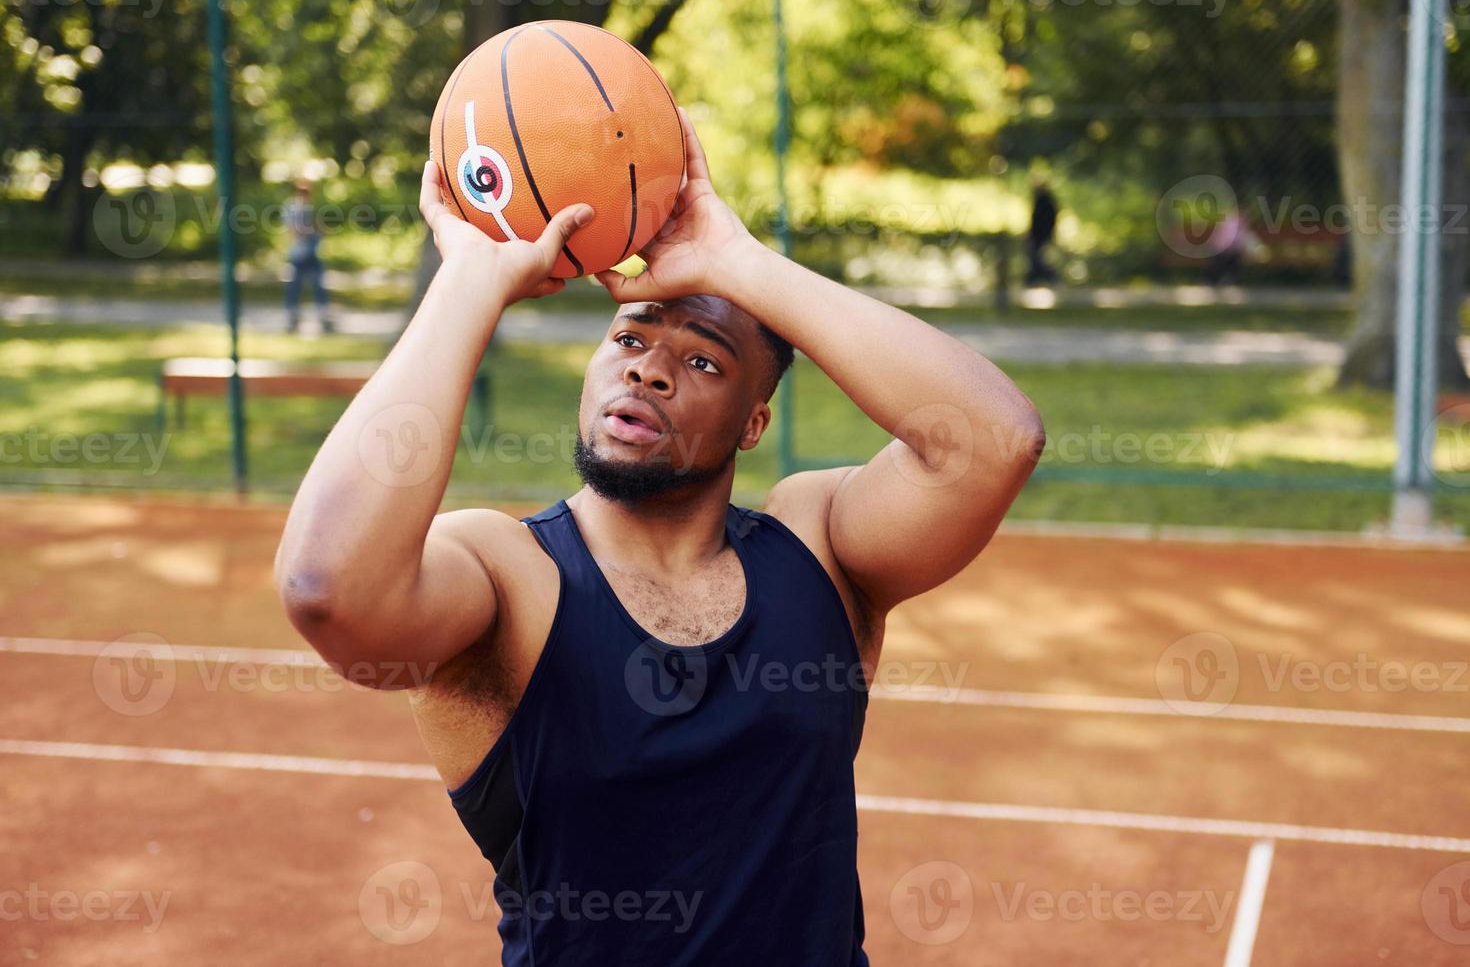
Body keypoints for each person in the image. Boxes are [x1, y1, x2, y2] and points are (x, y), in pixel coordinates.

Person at [275, 109, 1044, 965]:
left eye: (704, 359)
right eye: (629, 336)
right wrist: (470, 283)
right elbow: (327, 590)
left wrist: (739, 262)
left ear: (754, 422)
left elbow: (994, 439)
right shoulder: (509, 577)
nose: (648, 367)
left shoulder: (821, 547)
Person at [283, 179, 333, 334]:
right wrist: (310, 232)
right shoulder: (293, 209)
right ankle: (293, 316)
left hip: (311, 252)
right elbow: (294, 230)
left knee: (318, 285)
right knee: (295, 286)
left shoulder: (309, 209)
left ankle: (322, 315)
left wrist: (318, 232)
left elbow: (317, 228)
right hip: (299, 253)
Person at [1025, 175, 1059, 286]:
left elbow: (1045, 220)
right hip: (1039, 234)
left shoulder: (1045, 202)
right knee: (1036, 257)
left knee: (1039, 257)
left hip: (1041, 234)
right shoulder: (1042, 201)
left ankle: (1043, 277)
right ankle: (1039, 277)